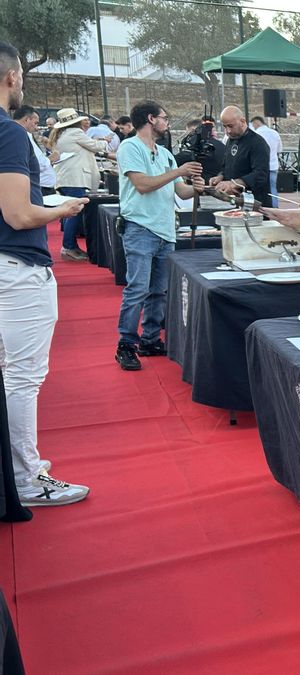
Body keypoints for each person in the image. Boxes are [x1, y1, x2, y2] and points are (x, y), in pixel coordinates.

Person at [0, 40, 92, 505]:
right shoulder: (9, 132)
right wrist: (62, 211)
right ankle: (25, 478)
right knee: (22, 377)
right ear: (13, 76)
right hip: (15, 267)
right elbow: (18, 214)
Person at [114, 100, 204, 372]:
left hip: (165, 229)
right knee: (137, 288)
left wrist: (200, 187)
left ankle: (150, 339)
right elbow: (142, 185)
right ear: (151, 119)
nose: (167, 122)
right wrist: (179, 171)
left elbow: (181, 192)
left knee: (159, 291)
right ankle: (126, 345)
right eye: (164, 117)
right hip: (140, 227)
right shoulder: (130, 147)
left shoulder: (165, 154)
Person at [50, 107, 114, 261]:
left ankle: (70, 245)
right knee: (76, 212)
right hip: (75, 179)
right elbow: (95, 147)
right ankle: (69, 247)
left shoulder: (61, 135)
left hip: (67, 178)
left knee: (70, 212)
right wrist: (105, 141)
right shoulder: (75, 133)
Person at [211, 106, 271, 208]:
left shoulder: (257, 143)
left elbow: (261, 174)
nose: (228, 131)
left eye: (230, 126)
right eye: (225, 127)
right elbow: (226, 166)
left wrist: (234, 183)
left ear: (242, 121)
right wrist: (220, 177)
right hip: (235, 202)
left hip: (254, 202)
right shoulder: (231, 140)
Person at [12, 106, 56, 196]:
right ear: (27, 120)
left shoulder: (21, 135)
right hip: (39, 187)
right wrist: (51, 159)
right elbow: (38, 163)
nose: (36, 128)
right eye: (35, 123)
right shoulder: (23, 135)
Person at [250, 116, 282, 206]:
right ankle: (275, 207)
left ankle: (263, 207)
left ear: (256, 123)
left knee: (261, 190)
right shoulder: (275, 133)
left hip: (261, 166)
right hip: (274, 165)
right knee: (273, 188)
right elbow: (280, 149)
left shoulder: (256, 134)